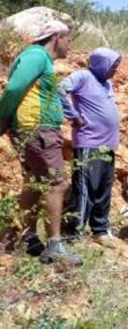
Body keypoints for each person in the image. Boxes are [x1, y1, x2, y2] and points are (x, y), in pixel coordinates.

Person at [0, 21, 82, 265]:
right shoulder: (36, 55)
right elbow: (14, 88)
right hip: (37, 128)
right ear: (57, 37)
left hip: (37, 129)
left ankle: (19, 236)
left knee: (36, 183)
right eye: (68, 39)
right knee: (57, 183)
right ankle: (55, 245)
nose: (70, 45)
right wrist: (2, 117)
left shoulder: (40, 59)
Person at [59, 48, 121, 244]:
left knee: (104, 188)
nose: (115, 70)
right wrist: (73, 116)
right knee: (86, 188)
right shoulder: (83, 76)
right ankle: (74, 232)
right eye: (113, 66)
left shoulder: (106, 83)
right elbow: (59, 90)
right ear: (102, 63)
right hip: (89, 142)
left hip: (107, 146)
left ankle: (100, 230)